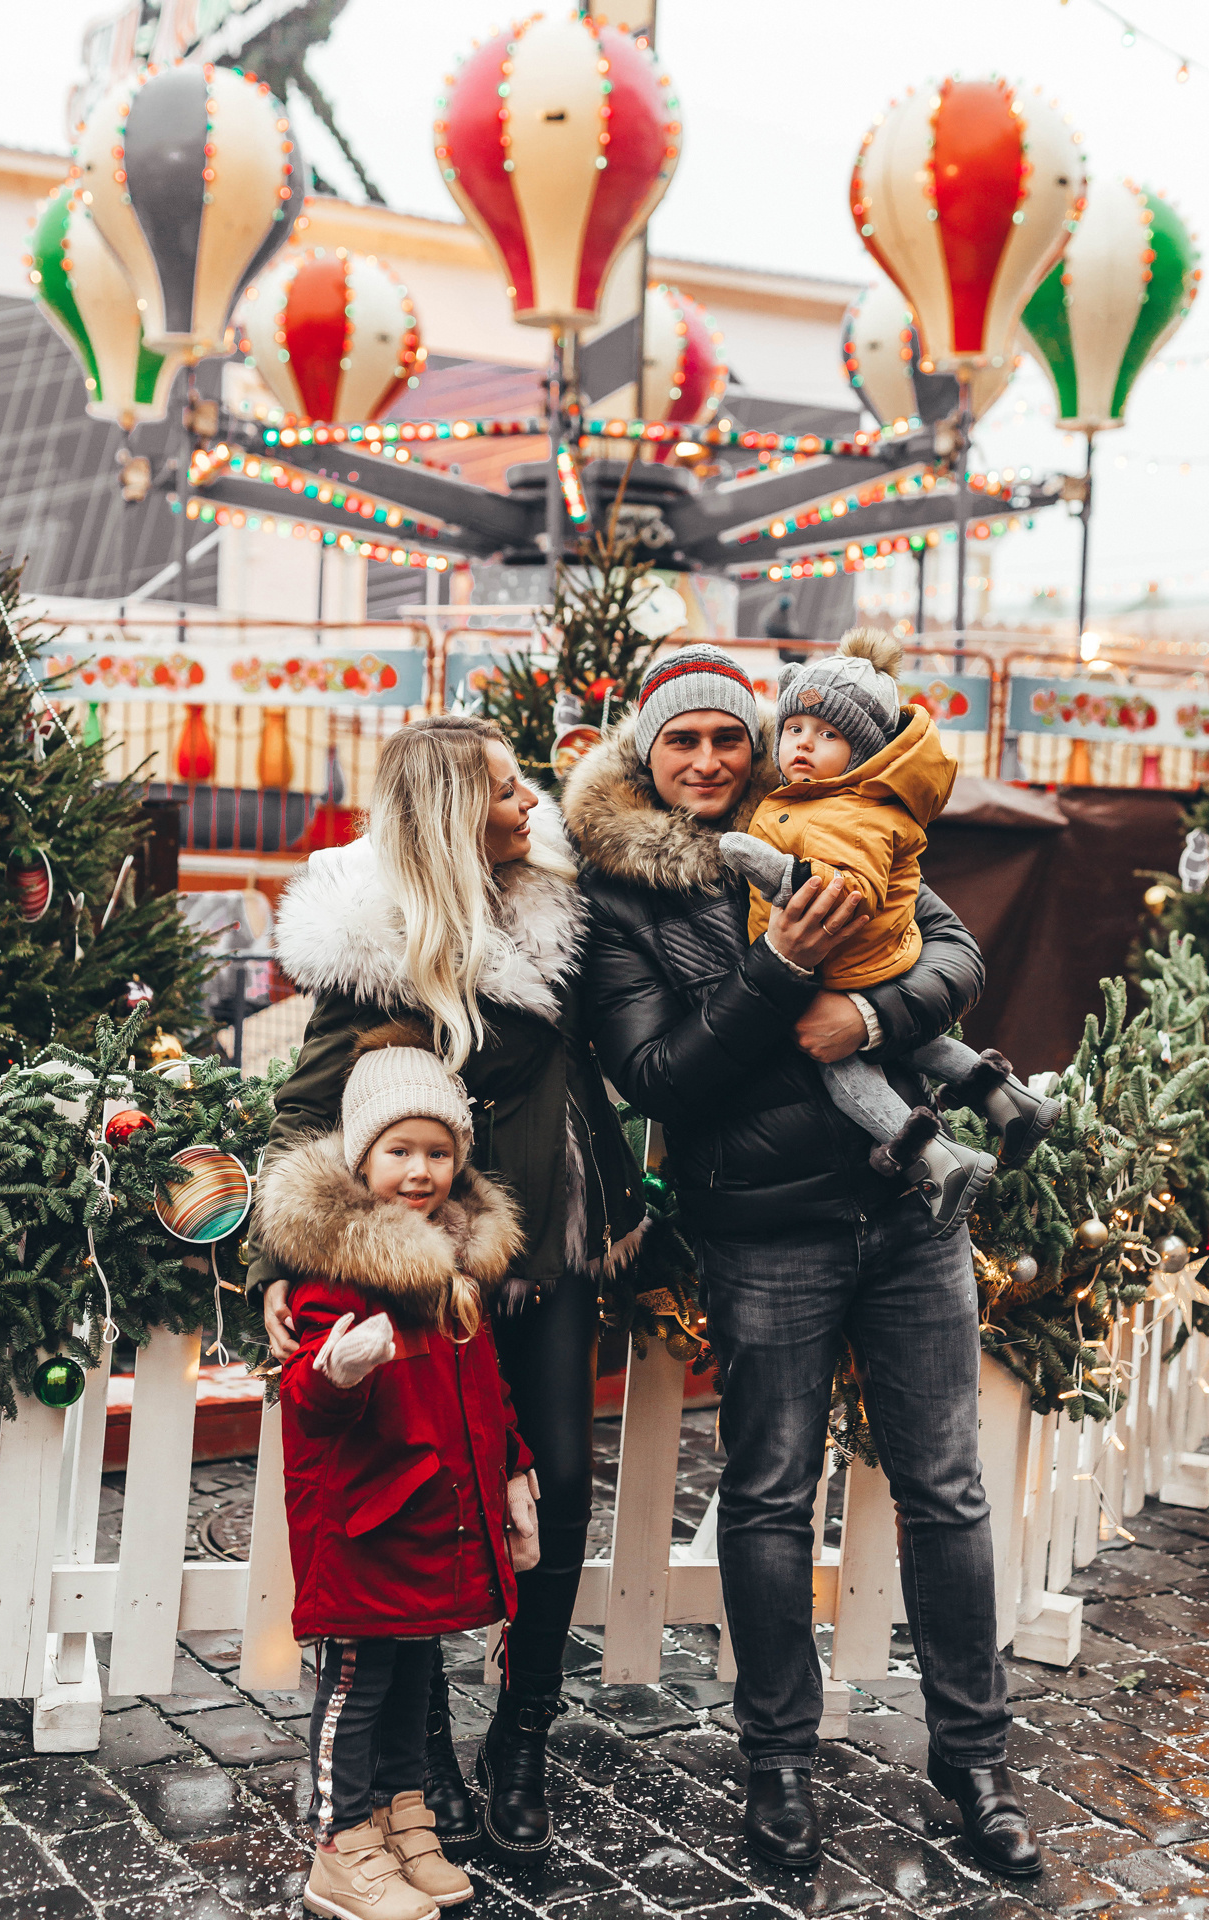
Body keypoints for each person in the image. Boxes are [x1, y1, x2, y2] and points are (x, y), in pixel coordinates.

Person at [561, 643, 1041, 1881]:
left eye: (730, 737)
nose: (711, 761)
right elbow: (654, 1075)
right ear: (649, 755)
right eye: (684, 742)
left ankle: (972, 1756)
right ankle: (776, 1759)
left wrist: (875, 1016)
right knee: (770, 1493)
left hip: (905, 1216)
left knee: (946, 1489)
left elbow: (954, 954)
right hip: (764, 1230)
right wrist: (776, 974)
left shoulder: (835, 821)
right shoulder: (622, 892)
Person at [245, 714, 646, 1862]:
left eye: (527, 785)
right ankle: (420, 1758)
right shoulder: (384, 943)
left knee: (557, 1483)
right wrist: (286, 1255)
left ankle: (520, 1734)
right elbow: (306, 1110)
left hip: (558, 1242)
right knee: (428, 1493)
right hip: (451, 1264)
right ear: (452, 819)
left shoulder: (561, 902)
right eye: (510, 793)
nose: (535, 805)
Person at [254, 1038, 537, 1919]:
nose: (421, 1171)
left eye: (439, 1153)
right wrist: (336, 1372)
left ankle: (401, 1813)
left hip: (432, 1521)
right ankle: (340, 1846)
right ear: (361, 1157)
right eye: (399, 1152)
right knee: (356, 1686)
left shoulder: (454, 1271)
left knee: (416, 1676)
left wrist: (515, 1470)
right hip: (364, 1526)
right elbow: (308, 1400)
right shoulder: (336, 1276)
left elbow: (485, 1391)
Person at [720, 629, 1060, 1234]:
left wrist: (772, 870)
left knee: (844, 1066)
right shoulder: (822, 798)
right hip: (872, 964)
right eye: (795, 730)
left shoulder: (850, 809)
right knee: (901, 1038)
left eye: (829, 736)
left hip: (846, 962)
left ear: (863, 753)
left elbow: (844, 888)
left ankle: (936, 1157)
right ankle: (1009, 1098)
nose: (804, 745)